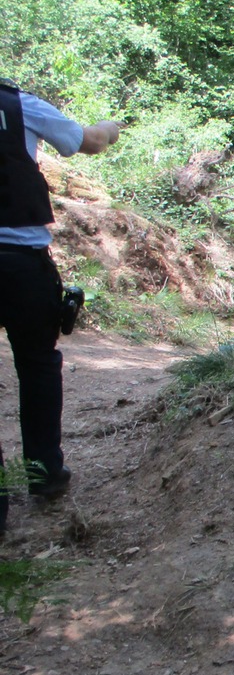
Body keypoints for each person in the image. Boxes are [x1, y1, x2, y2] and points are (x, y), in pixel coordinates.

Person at [0, 82, 120, 536]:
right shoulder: (17, 104)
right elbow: (86, 142)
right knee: (37, 365)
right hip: (22, 262)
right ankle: (44, 473)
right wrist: (110, 128)